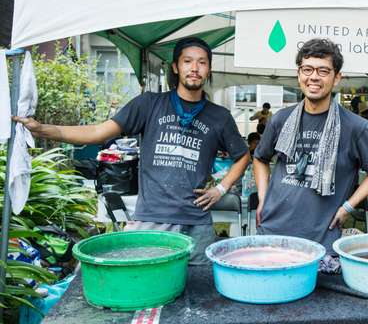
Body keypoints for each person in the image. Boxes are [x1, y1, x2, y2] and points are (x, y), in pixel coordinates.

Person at [13, 37, 250, 265]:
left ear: (209, 69)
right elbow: (98, 132)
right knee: (152, 291)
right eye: (188, 61)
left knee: (198, 294)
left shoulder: (219, 117)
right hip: (153, 220)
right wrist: (43, 129)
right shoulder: (149, 104)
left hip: (197, 222)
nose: (195, 68)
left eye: (202, 62)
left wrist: (221, 188)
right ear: (176, 67)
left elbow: (243, 156)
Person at [253, 38, 368, 254]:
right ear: (299, 74)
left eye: (323, 71)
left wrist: (347, 208)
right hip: (272, 231)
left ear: (337, 78)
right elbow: (260, 159)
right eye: (307, 69)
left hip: (320, 239)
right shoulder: (280, 119)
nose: (313, 77)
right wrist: (263, 197)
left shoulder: (356, 127)